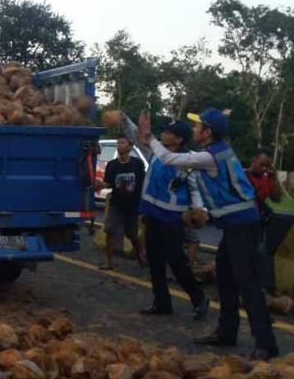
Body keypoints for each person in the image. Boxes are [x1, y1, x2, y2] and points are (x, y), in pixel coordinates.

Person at [139, 108, 279, 360]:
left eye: (198, 126)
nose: (194, 129)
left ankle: (266, 344)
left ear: (208, 132)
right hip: (234, 226)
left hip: (243, 227)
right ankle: (226, 332)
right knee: (225, 279)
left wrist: (149, 138)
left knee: (248, 285)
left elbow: (171, 160)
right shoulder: (214, 153)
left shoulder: (211, 157)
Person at [123, 117, 209, 320]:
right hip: (152, 215)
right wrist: (124, 119)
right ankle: (162, 302)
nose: (163, 134)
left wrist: (199, 210)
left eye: (168, 133)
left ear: (178, 140)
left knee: (176, 261)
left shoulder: (189, 162)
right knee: (155, 262)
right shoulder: (156, 152)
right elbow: (138, 137)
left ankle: (199, 299)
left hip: (171, 218)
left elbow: (196, 190)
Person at [95, 136, 145, 270]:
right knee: (110, 231)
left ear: (130, 147)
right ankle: (109, 262)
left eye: (122, 143)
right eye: (118, 143)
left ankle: (141, 255)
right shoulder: (112, 165)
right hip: (116, 204)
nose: (119, 145)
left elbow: (143, 183)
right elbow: (109, 182)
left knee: (132, 234)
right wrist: (100, 185)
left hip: (132, 205)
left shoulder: (137, 163)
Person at [248, 148, 283, 220]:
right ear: (253, 160)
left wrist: (274, 178)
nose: (264, 169)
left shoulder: (266, 180)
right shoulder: (241, 176)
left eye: (267, 166)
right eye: (262, 165)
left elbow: (277, 199)